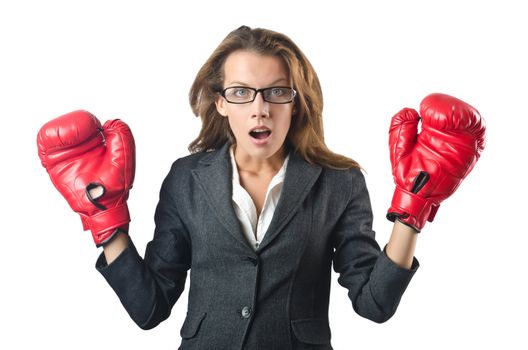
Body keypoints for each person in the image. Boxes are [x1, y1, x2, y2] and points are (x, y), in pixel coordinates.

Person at [37, 25, 486, 350]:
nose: (259, 109)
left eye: (276, 92)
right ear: (220, 103)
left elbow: (374, 304)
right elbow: (149, 308)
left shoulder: (339, 183)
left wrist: (414, 206)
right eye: (241, 92)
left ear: (297, 103)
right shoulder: (185, 179)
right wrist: (103, 220)